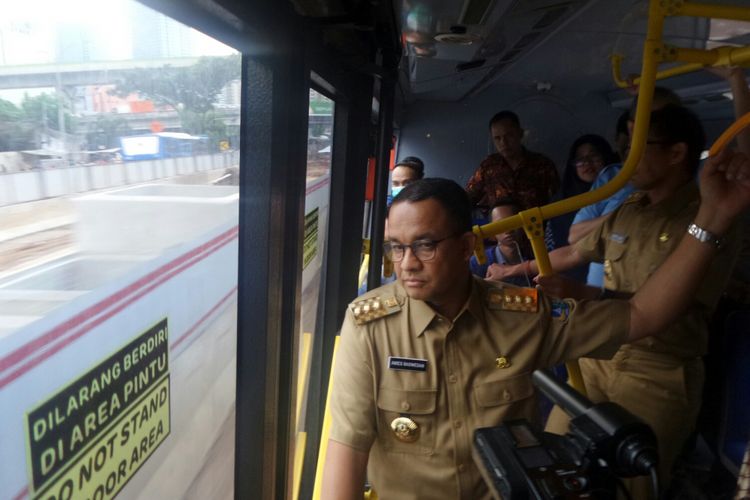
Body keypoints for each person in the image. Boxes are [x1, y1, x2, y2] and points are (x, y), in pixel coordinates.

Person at [321, 142, 750, 499]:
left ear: (469, 246)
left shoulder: (522, 315)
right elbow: (347, 448)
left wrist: (713, 219)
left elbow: (643, 314)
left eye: (425, 245)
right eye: (397, 248)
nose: (407, 264)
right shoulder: (369, 326)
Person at [523, 105, 742, 499]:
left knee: (624, 489)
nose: (624, 162)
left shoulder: (708, 217)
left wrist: (586, 295)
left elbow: (655, 310)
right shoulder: (629, 208)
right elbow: (576, 253)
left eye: (636, 148)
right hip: (598, 357)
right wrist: (510, 272)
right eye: (623, 149)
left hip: (655, 370)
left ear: (676, 154)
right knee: (554, 472)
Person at [546, 134, 619, 282]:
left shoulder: (620, 192)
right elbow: (551, 248)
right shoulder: (559, 205)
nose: (587, 163)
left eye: (594, 156)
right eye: (580, 159)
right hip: (568, 281)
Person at [465, 111, 559, 218]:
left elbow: (557, 201)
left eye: (509, 136)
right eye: (497, 138)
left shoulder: (542, 165)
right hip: (502, 230)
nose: (503, 143)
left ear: (520, 134)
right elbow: (468, 199)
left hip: (536, 228)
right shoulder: (488, 167)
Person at [469, 198, 532, 286]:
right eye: (500, 224)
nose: (508, 230)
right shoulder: (477, 263)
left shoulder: (535, 256)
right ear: (491, 230)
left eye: (513, 222)